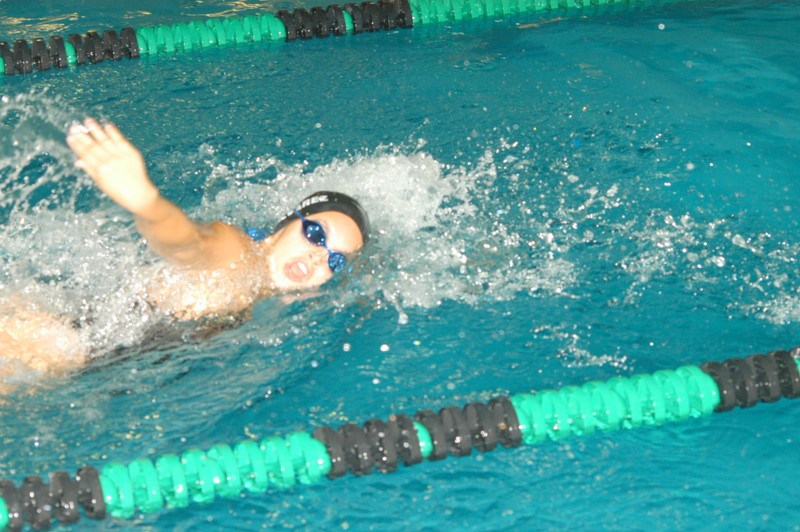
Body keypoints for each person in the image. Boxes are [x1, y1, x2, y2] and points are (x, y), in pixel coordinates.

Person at [0, 117, 369, 384]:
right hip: (47, 339)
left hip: (76, 339)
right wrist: (145, 200)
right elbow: (188, 242)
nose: (318, 256)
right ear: (282, 227)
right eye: (316, 235)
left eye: (335, 260)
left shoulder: (269, 294)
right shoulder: (238, 253)